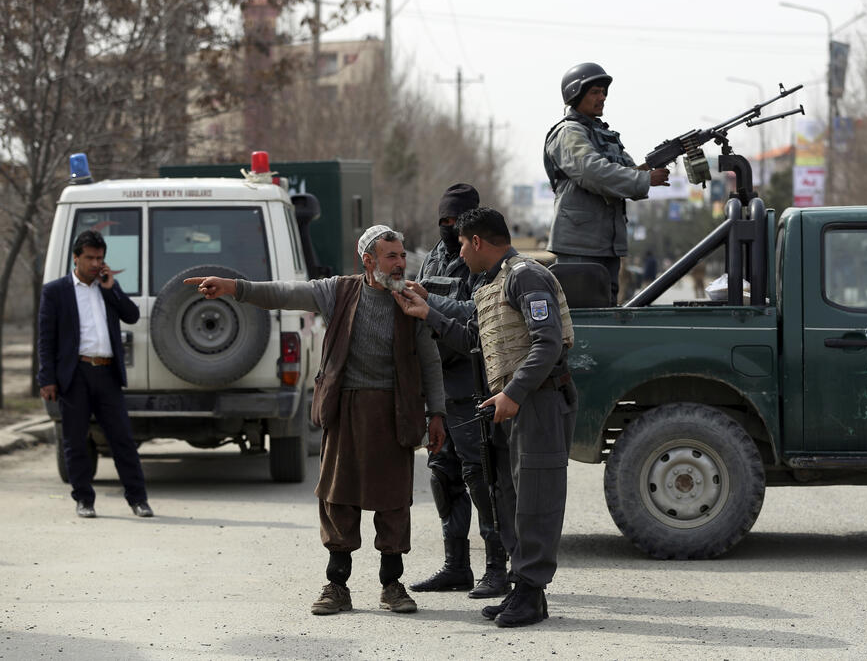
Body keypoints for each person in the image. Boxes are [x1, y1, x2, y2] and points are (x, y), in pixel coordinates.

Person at [184, 225, 447, 616]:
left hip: (396, 412)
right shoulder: (338, 291)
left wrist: (437, 413)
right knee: (336, 497)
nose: (400, 263)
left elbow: (429, 359)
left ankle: (392, 585)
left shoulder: (410, 299)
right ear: (368, 260)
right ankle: (337, 586)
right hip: (344, 411)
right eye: (391, 256)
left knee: (393, 501)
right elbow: (284, 293)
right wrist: (234, 287)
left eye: (402, 255)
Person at [393, 207, 577, 628]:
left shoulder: (524, 276)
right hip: (513, 404)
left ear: (477, 242)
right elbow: (475, 340)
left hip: (538, 401)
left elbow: (547, 344)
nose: (459, 250)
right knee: (508, 495)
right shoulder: (491, 285)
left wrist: (512, 393)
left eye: (461, 242)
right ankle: (522, 588)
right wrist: (430, 315)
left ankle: (531, 592)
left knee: (536, 499)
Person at [408, 184, 510, 599]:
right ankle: (456, 566)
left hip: (471, 381)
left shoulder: (483, 259)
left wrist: (430, 304)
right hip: (438, 385)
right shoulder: (433, 256)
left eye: (456, 222)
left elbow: (481, 313)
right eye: (443, 222)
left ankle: (496, 568)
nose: (449, 229)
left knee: (481, 476)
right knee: (441, 473)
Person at [38, 230, 153, 519]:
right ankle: (84, 500)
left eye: (99, 258)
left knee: (122, 439)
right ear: (76, 258)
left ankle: (138, 499)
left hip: (107, 373)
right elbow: (45, 339)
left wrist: (112, 288)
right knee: (75, 440)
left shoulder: (107, 287)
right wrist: (47, 379)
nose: (94, 263)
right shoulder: (56, 291)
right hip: (74, 374)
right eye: (89, 257)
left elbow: (132, 316)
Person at [544, 62, 670, 303]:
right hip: (579, 246)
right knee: (585, 319)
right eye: (595, 92)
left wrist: (650, 167)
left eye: (604, 92)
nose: (602, 98)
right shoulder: (569, 132)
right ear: (575, 94)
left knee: (605, 312)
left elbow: (624, 171)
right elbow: (591, 172)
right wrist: (643, 178)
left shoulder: (603, 134)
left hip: (606, 244)